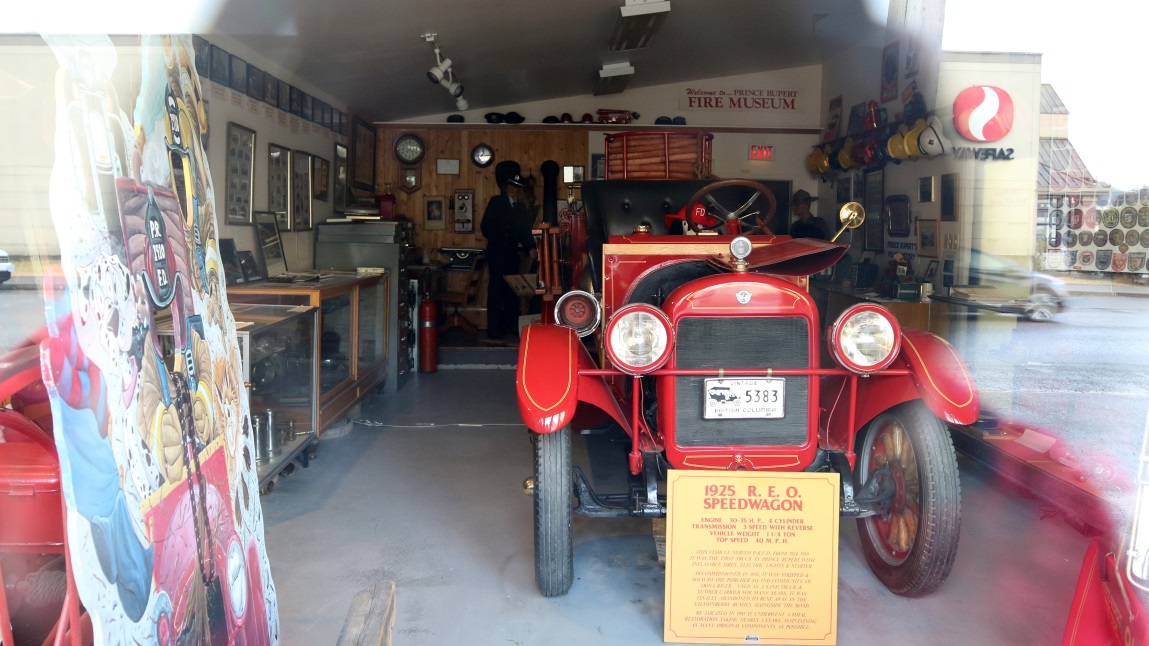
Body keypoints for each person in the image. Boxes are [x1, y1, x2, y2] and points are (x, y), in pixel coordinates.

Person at [481, 161, 536, 340]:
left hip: (512, 255)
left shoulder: (520, 208)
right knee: (496, 291)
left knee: (512, 291)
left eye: (517, 187)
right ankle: (494, 329)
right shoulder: (496, 202)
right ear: (506, 186)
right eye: (511, 186)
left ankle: (511, 326)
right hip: (497, 254)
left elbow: (525, 232)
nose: (513, 189)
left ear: (519, 189)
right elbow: (485, 227)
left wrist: (531, 248)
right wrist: (502, 239)